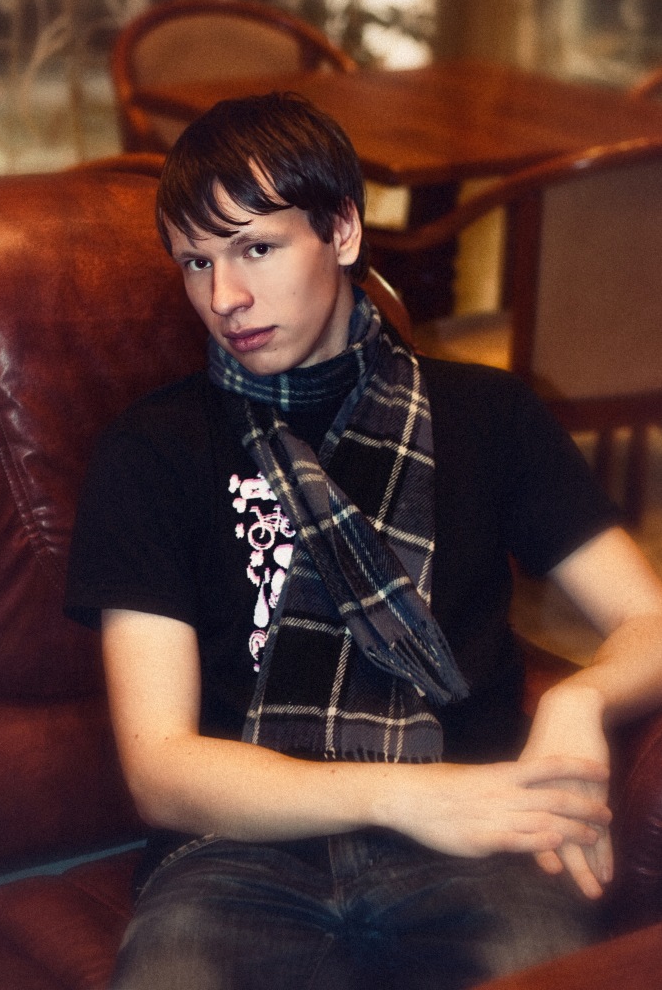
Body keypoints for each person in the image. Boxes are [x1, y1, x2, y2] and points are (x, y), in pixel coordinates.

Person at [65, 92, 662, 990]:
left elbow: (647, 621)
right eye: (196, 262)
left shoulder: (485, 415)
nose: (224, 298)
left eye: (256, 248)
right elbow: (161, 770)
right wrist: (408, 795)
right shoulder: (152, 450)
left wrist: (579, 701)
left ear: (341, 231)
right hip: (235, 852)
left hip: (475, 844)